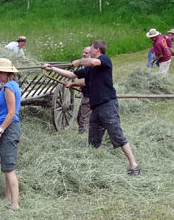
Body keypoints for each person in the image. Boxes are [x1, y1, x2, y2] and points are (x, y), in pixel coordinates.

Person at [42, 40, 140, 176]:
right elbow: (71, 75)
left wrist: (79, 61)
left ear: (97, 49)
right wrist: (52, 68)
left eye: (90, 49)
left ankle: (134, 165)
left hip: (107, 104)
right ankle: (100, 166)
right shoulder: (88, 69)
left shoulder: (104, 60)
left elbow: (93, 62)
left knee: (117, 134)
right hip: (96, 107)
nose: (88, 52)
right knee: (93, 139)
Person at [0, 58, 21, 210]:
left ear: (5, 73)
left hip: (8, 129)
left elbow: (11, 113)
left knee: (9, 169)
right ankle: (8, 199)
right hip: (8, 128)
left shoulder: (8, 87)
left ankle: (15, 205)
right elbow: (4, 108)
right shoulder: (9, 86)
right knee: (6, 166)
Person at [64, 46, 91, 134]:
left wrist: (73, 84)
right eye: (83, 52)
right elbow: (72, 74)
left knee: (83, 119)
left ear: (91, 54)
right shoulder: (86, 66)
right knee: (80, 117)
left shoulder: (91, 67)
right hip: (87, 95)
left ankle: (85, 137)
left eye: (86, 53)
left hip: (90, 97)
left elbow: (85, 82)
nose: (83, 54)